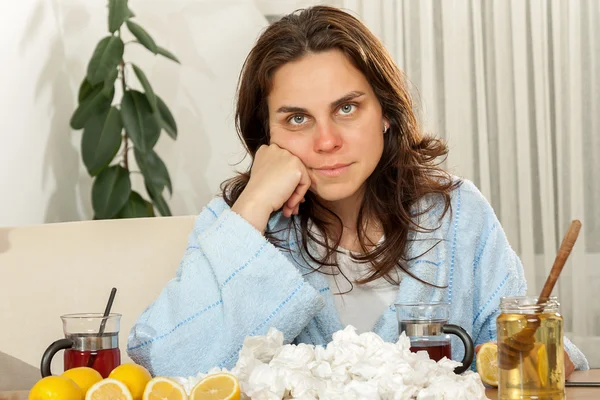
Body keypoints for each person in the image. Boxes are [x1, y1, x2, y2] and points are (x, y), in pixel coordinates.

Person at [127, 5, 588, 377]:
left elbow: (522, 352)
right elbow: (168, 366)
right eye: (297, 118)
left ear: (385, 112)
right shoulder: (234, 224)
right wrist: (250, 207)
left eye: (346, 107)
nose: (326, 141)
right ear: (266, 135)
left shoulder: (457, 214)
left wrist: (543, 354)